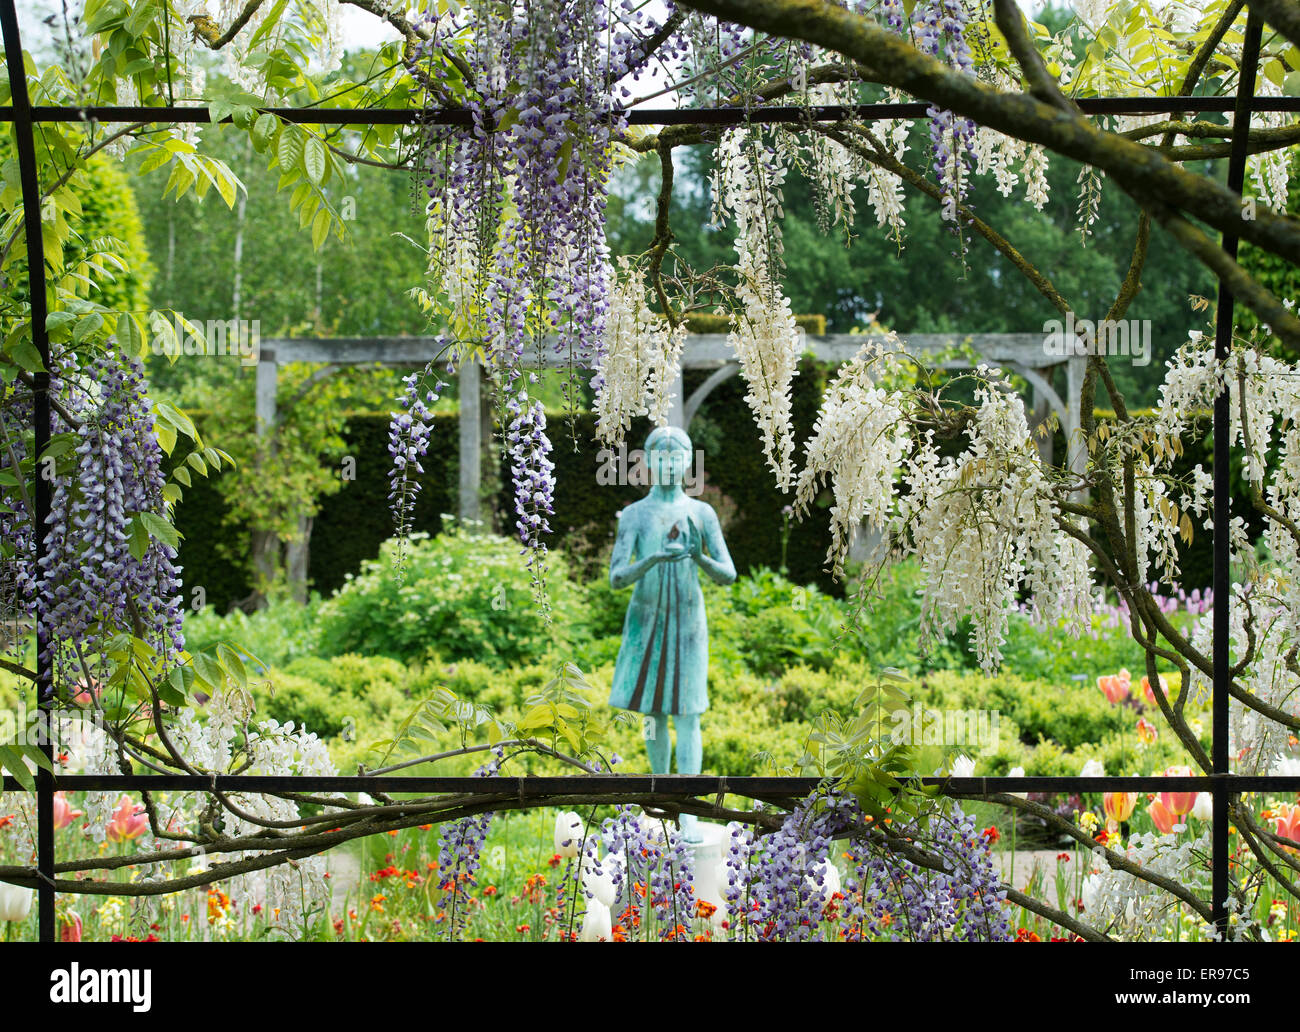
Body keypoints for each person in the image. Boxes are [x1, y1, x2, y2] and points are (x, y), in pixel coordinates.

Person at [608, 426, 736, 841]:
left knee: (689, 711)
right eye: (658, 456)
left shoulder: (702, 513)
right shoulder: (635, 515)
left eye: (675, 456)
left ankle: (690, 810)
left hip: (687, 620)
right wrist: (651, 560)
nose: (666, 464)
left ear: (687, 463)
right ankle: (661, 798)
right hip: (646, 619)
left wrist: (698, 555)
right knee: (652, 711)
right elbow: (616, 578)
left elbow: (728, 574)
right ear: (646, 463)